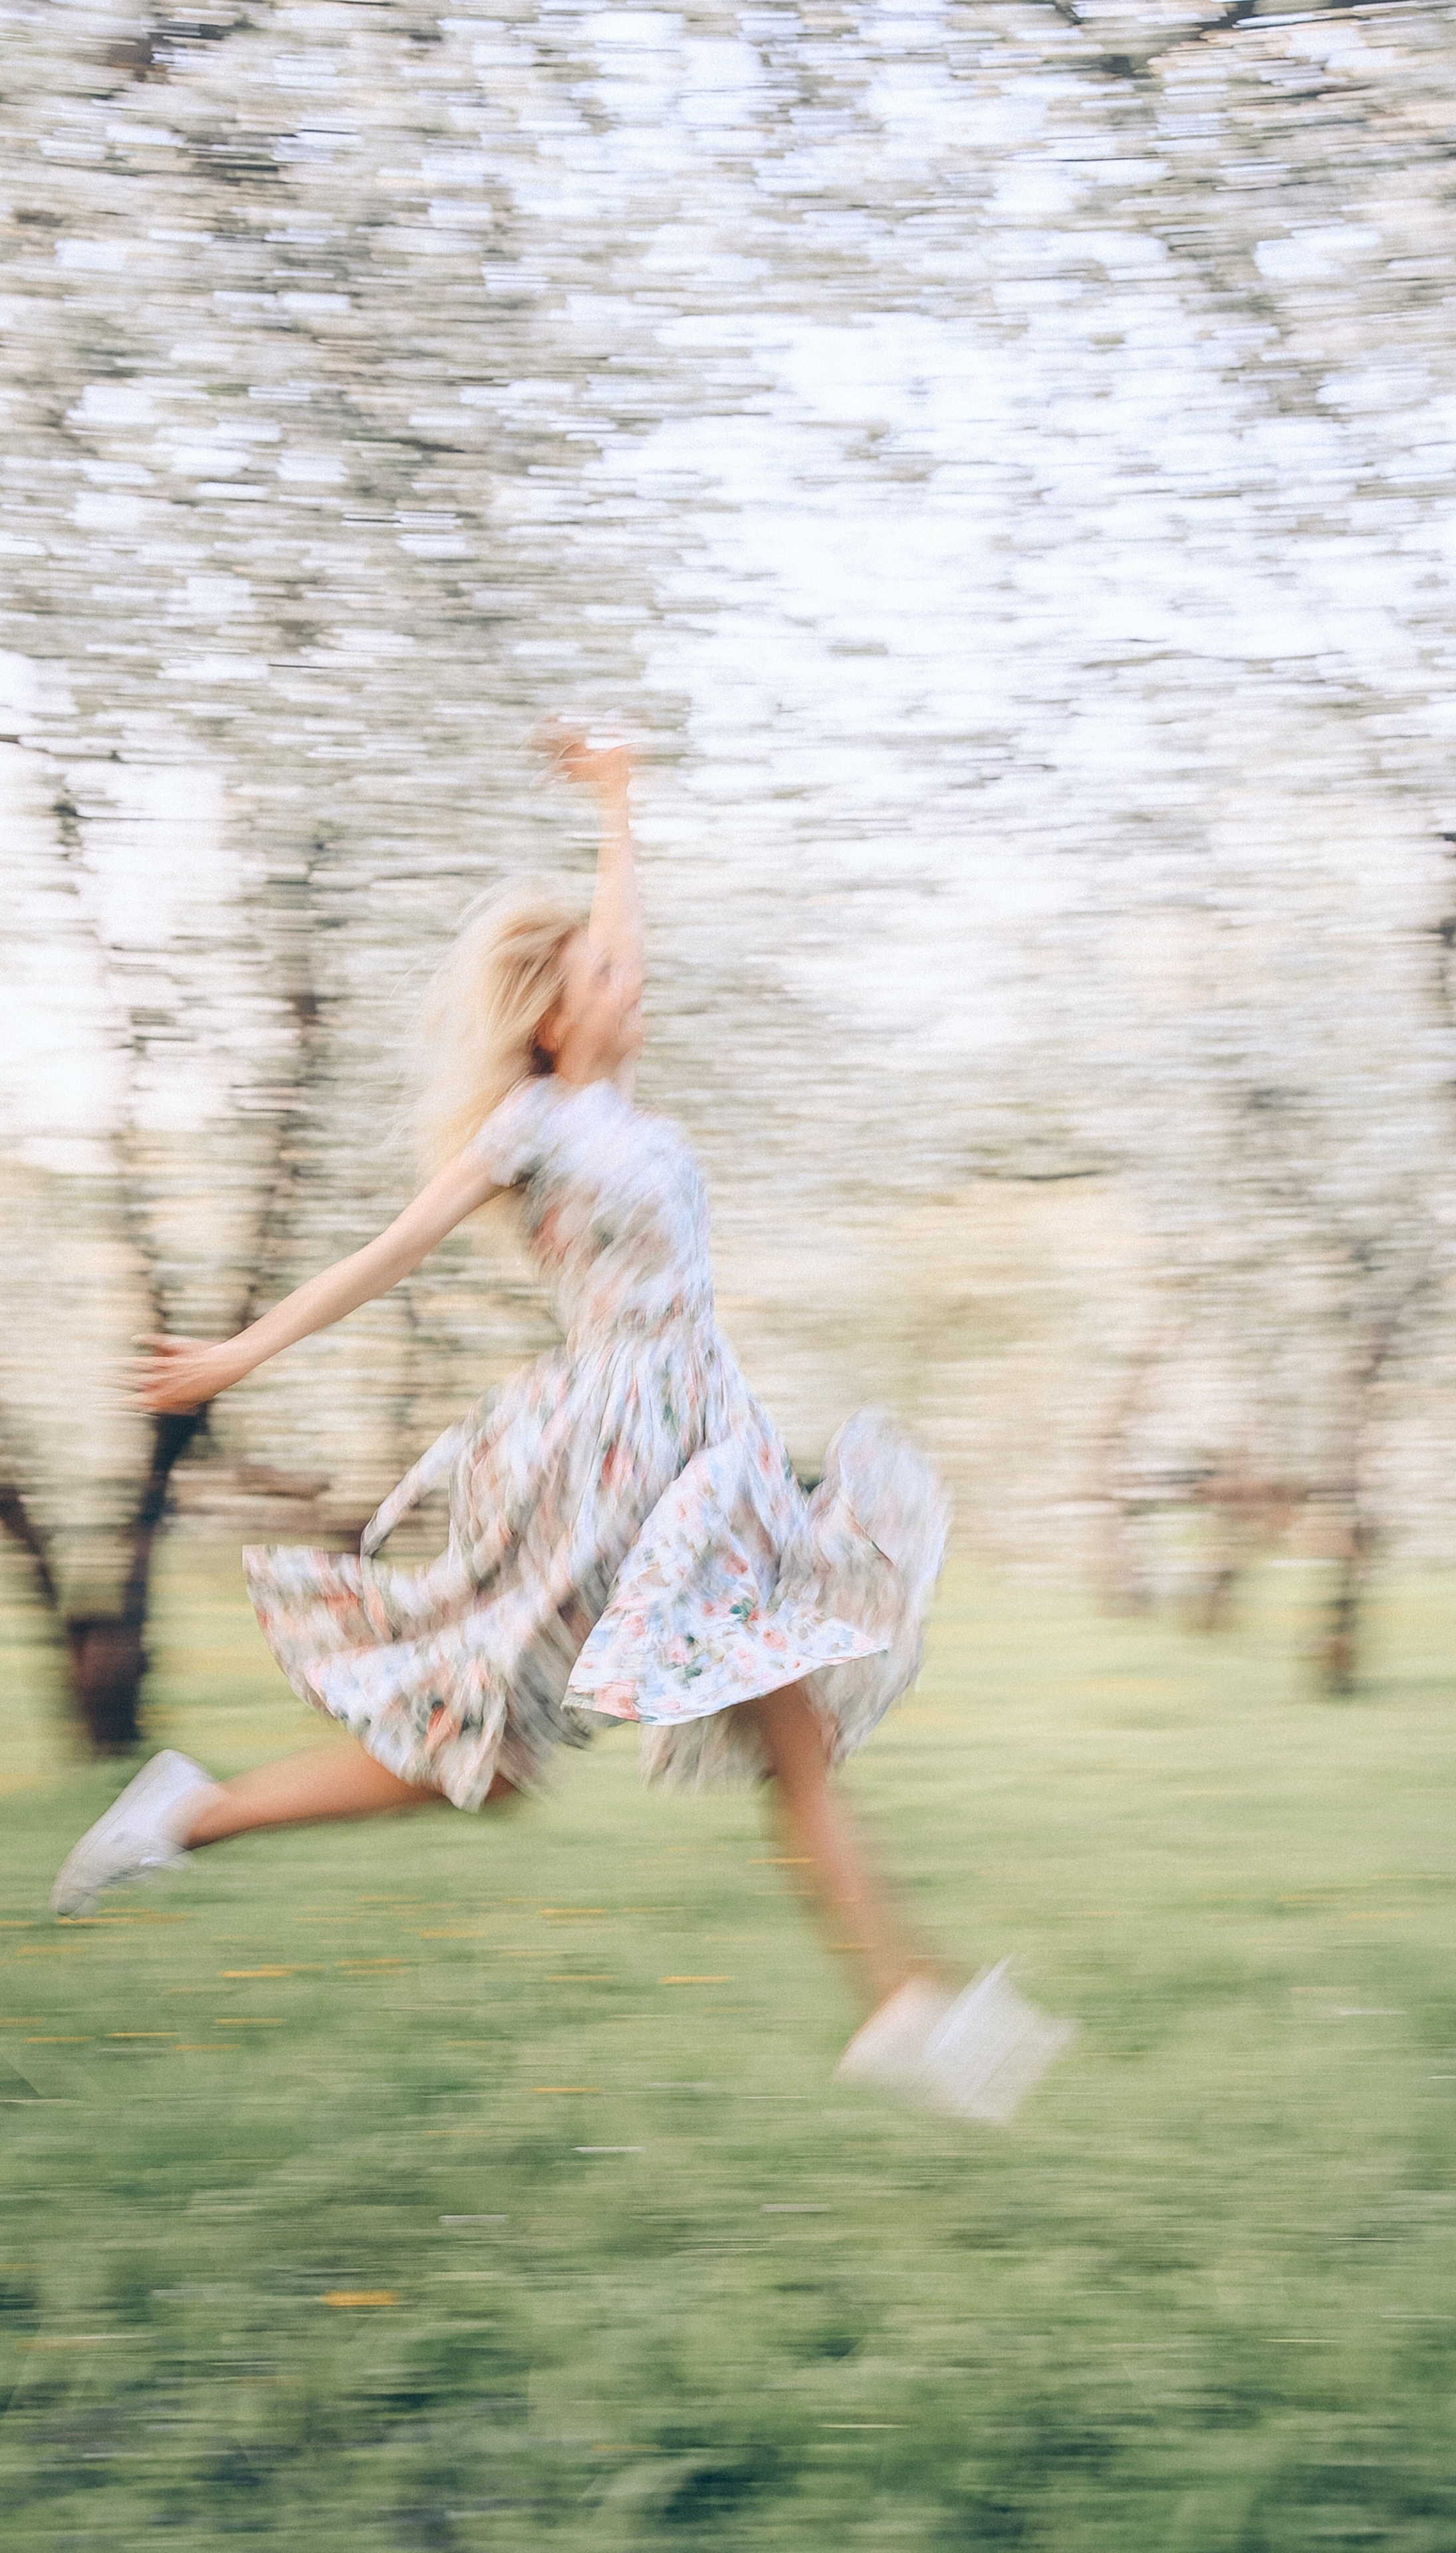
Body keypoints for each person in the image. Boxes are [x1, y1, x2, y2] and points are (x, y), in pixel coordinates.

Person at [51, 726, 1071, 2122]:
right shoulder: (531, 1126)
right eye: (600, 971)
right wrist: (233, 1352)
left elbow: (626, 937)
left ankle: (900, 2004)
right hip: (611, 1464)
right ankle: (188, 1812)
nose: (630, 976)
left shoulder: (625, 1110)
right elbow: (382, 1256)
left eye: (622, 962)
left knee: (785, 1741)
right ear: (550, 1016)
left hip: (713, 1451)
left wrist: (618, 804)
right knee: (484, 1759)